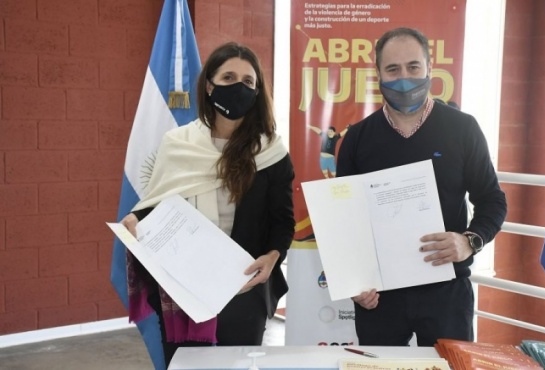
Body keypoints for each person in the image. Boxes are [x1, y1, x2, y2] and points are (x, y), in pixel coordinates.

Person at [121, 42, 295, 366]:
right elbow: (156, 204)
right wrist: (135, 219)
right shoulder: (177, 144)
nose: (239, 87)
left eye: (248, 81)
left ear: (257, 92)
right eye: (228, 77)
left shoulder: (270, 152)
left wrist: (272, 258)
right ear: (209, 85)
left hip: (245, 286)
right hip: (183, 286)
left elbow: (283, 221)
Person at [336, 27, 507, 347]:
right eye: (393, 69)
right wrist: (353, 281)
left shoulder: (462, 129)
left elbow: (492, 199)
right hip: (378, 297)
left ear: (430, 68)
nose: (404, 78)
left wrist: (470, 241)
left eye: (413, 67)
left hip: (447, 291)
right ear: (378, 74)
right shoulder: (357, 138)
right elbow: (345, 221)